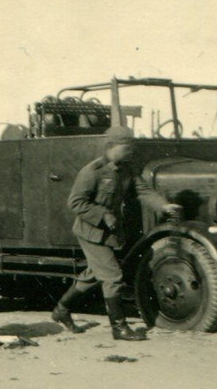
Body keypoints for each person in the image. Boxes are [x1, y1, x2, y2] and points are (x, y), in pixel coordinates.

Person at [51, 125, 182, 341]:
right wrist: (103, 214)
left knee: (95, 274)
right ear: (111, 146)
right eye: (127, 147)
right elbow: (75, 202)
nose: (131, 151)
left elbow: (142, 190)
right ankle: (119, 328)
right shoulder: (92, 172)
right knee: (112, 277)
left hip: (109, 233)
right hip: (91, 233)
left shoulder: (126, 169)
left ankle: (61, 310)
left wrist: (164, 206)